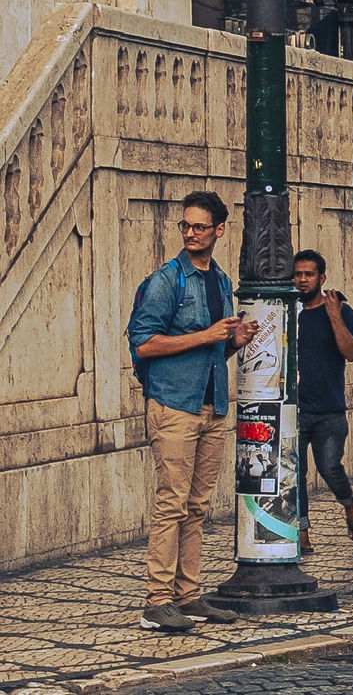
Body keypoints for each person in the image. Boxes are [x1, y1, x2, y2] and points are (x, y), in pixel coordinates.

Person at [125, 190, 255, 631]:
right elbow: (143, 343)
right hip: (174, 404)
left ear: (219, 229)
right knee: (172, 505)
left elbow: (216, 349)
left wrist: (234, 340)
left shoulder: (219, 280)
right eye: (185, 225)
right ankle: (157, 601)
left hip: (213, 404)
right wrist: (205, 336)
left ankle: (189, 595)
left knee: (198, 507)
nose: (191, 233)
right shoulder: (166, 280)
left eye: (199, 226)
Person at [291, 250, 353, 552]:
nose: (302, 280)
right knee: (296, 473)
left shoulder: (341, 309)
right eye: (297, 274)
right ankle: (302, 535)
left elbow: (351, 352)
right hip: (294, 408)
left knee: (330, 467)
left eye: (308, 274)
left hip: (330, 408)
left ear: (321, 278)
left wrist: (333, 314)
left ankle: (350, 504)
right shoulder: (289, 311)